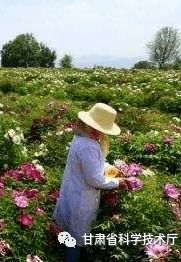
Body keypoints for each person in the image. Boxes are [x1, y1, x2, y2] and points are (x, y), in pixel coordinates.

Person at [53, 103, 129, 262]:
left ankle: (63, 254)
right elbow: (94, 179)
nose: (101, 133)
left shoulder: (80, 136)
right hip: (82, 198)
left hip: (74, 191)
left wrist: (109, 168)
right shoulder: (89, 146)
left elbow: (89, 165)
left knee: (70, 234)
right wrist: (118, 182)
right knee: (75, 241)